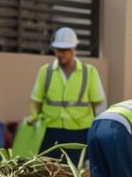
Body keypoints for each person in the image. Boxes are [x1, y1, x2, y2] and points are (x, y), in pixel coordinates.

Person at [28, 26, 105, 162]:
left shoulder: (89, 72)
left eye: (65, 50)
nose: (61, 54)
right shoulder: (45, 71)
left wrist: (98, 130)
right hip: (51, 131)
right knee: (48, 173)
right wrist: (34, 118)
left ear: (74, 49)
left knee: (77, 173)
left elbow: (99, 104)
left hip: (80, 132)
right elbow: (36, 101)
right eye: (58, 50)